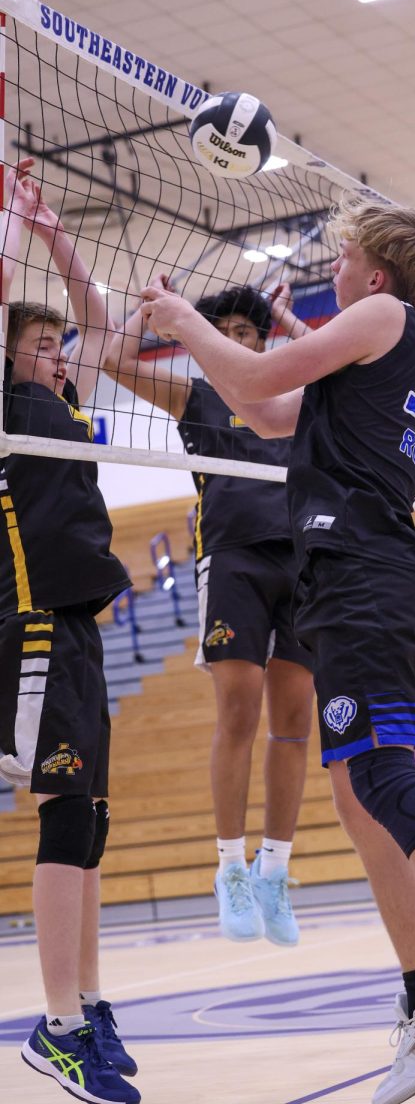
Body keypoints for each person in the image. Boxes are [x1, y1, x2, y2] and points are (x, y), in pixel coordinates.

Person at [140, 193, 415, 1104]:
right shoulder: (390, 340)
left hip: (366, 576)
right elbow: (266, 418)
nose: (327, 274)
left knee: (379, 777)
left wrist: (180, 323)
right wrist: (252, 339)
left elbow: (251, 385)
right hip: (349, 580)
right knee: (355, 789)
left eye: (341, 262)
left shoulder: (381, 315)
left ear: (376, 274)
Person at [103, 282, 315, 945]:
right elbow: (111, 363)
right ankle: (229, 867)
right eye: (221, 329)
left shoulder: (294, 395)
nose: (236, 339)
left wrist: (285, 318)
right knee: (238, 711)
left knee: (293, 722)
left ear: (262, 341)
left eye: (248, 332)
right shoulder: (194, 394)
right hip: (231, 561)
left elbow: (338, 363)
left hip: (302, 561)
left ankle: (274, 870)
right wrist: (145, 314)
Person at [0, 161, 139, 1103]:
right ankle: (53, 1029)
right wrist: (10, 222)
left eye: (59, 344)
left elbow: (103, 322)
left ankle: (86, 1003)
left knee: (86, 820)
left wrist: (55, 236)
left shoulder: (66, 408)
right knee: (59, 812)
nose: (58, 352)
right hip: (32, 628)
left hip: (80, 631)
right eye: (41, 343)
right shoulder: (7, 410)